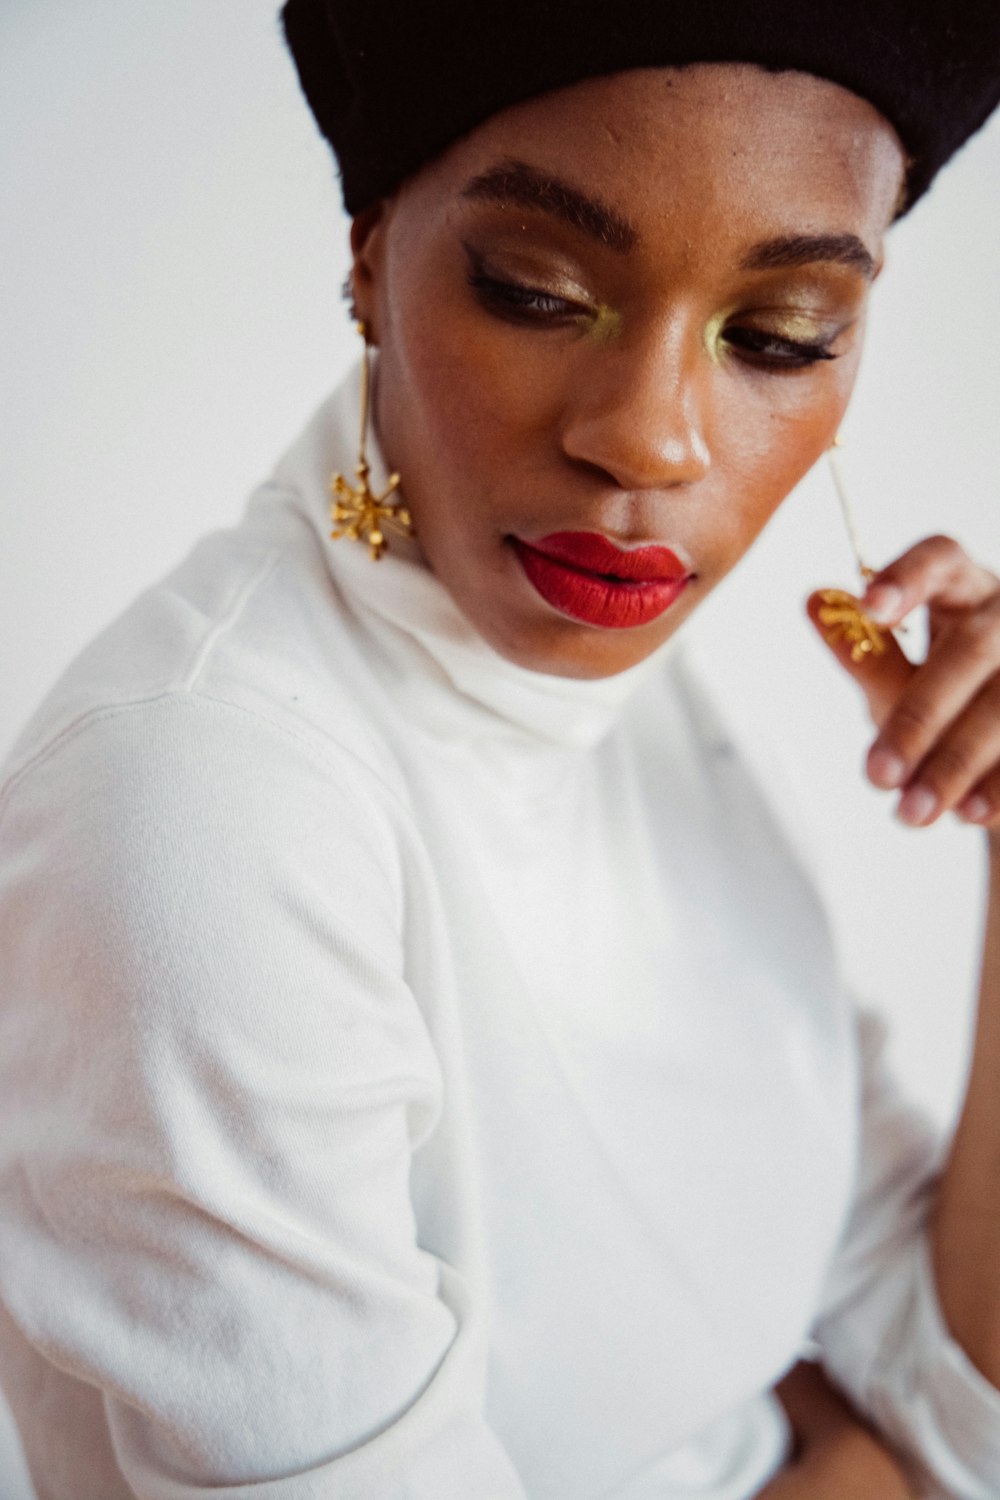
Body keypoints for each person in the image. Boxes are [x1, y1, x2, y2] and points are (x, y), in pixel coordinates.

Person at [1, 2, 999, 1496]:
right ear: (367, 258)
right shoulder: (198, 807)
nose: (653, 442)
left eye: (778, 336)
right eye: (538, 291)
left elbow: (939, 1374)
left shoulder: (610, 698)